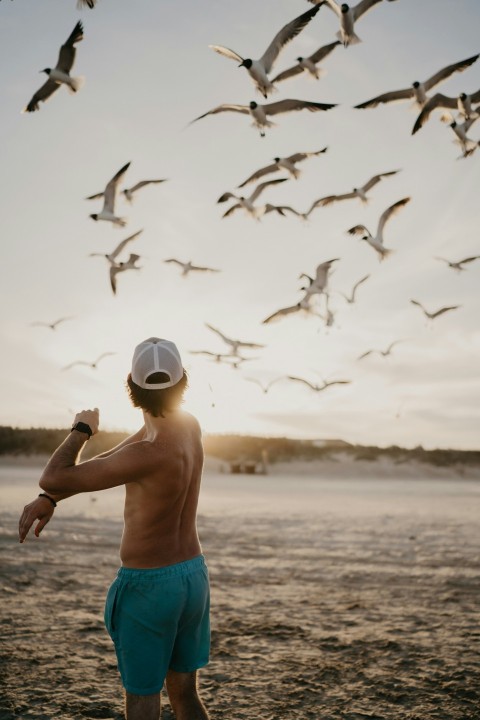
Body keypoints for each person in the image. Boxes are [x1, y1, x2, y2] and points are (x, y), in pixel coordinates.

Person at [18, 337, 211, 720]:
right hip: (192, 576)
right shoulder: (187, 427)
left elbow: (55, 474)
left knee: (142, 699)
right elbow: (111, 460)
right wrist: (52, 498)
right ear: (183, 382)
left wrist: (81, 429)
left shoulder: (147, 453)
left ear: (132, 388)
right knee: (185, 694)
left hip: (149, 586)